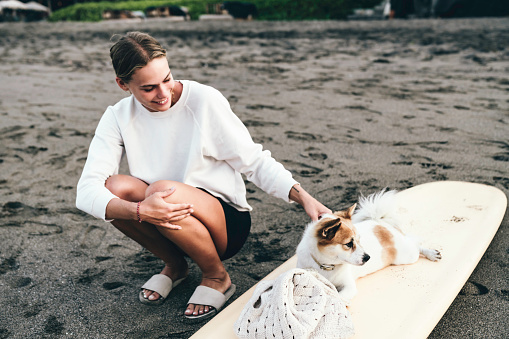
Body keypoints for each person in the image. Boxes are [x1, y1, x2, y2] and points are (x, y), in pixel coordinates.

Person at [76, 31, 331, 321]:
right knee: (114, 188)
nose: (163, 94)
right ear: (123, 84)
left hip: (224, 223)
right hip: (161, 216)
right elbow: (86, 192)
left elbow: (253, 160)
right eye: (148, 88)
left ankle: (216, 276)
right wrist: (139, 210)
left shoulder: (203, 100)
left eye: (167, 79)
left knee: (161, 190)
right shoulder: (118, 116)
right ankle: (175, 265)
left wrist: (302, 196)